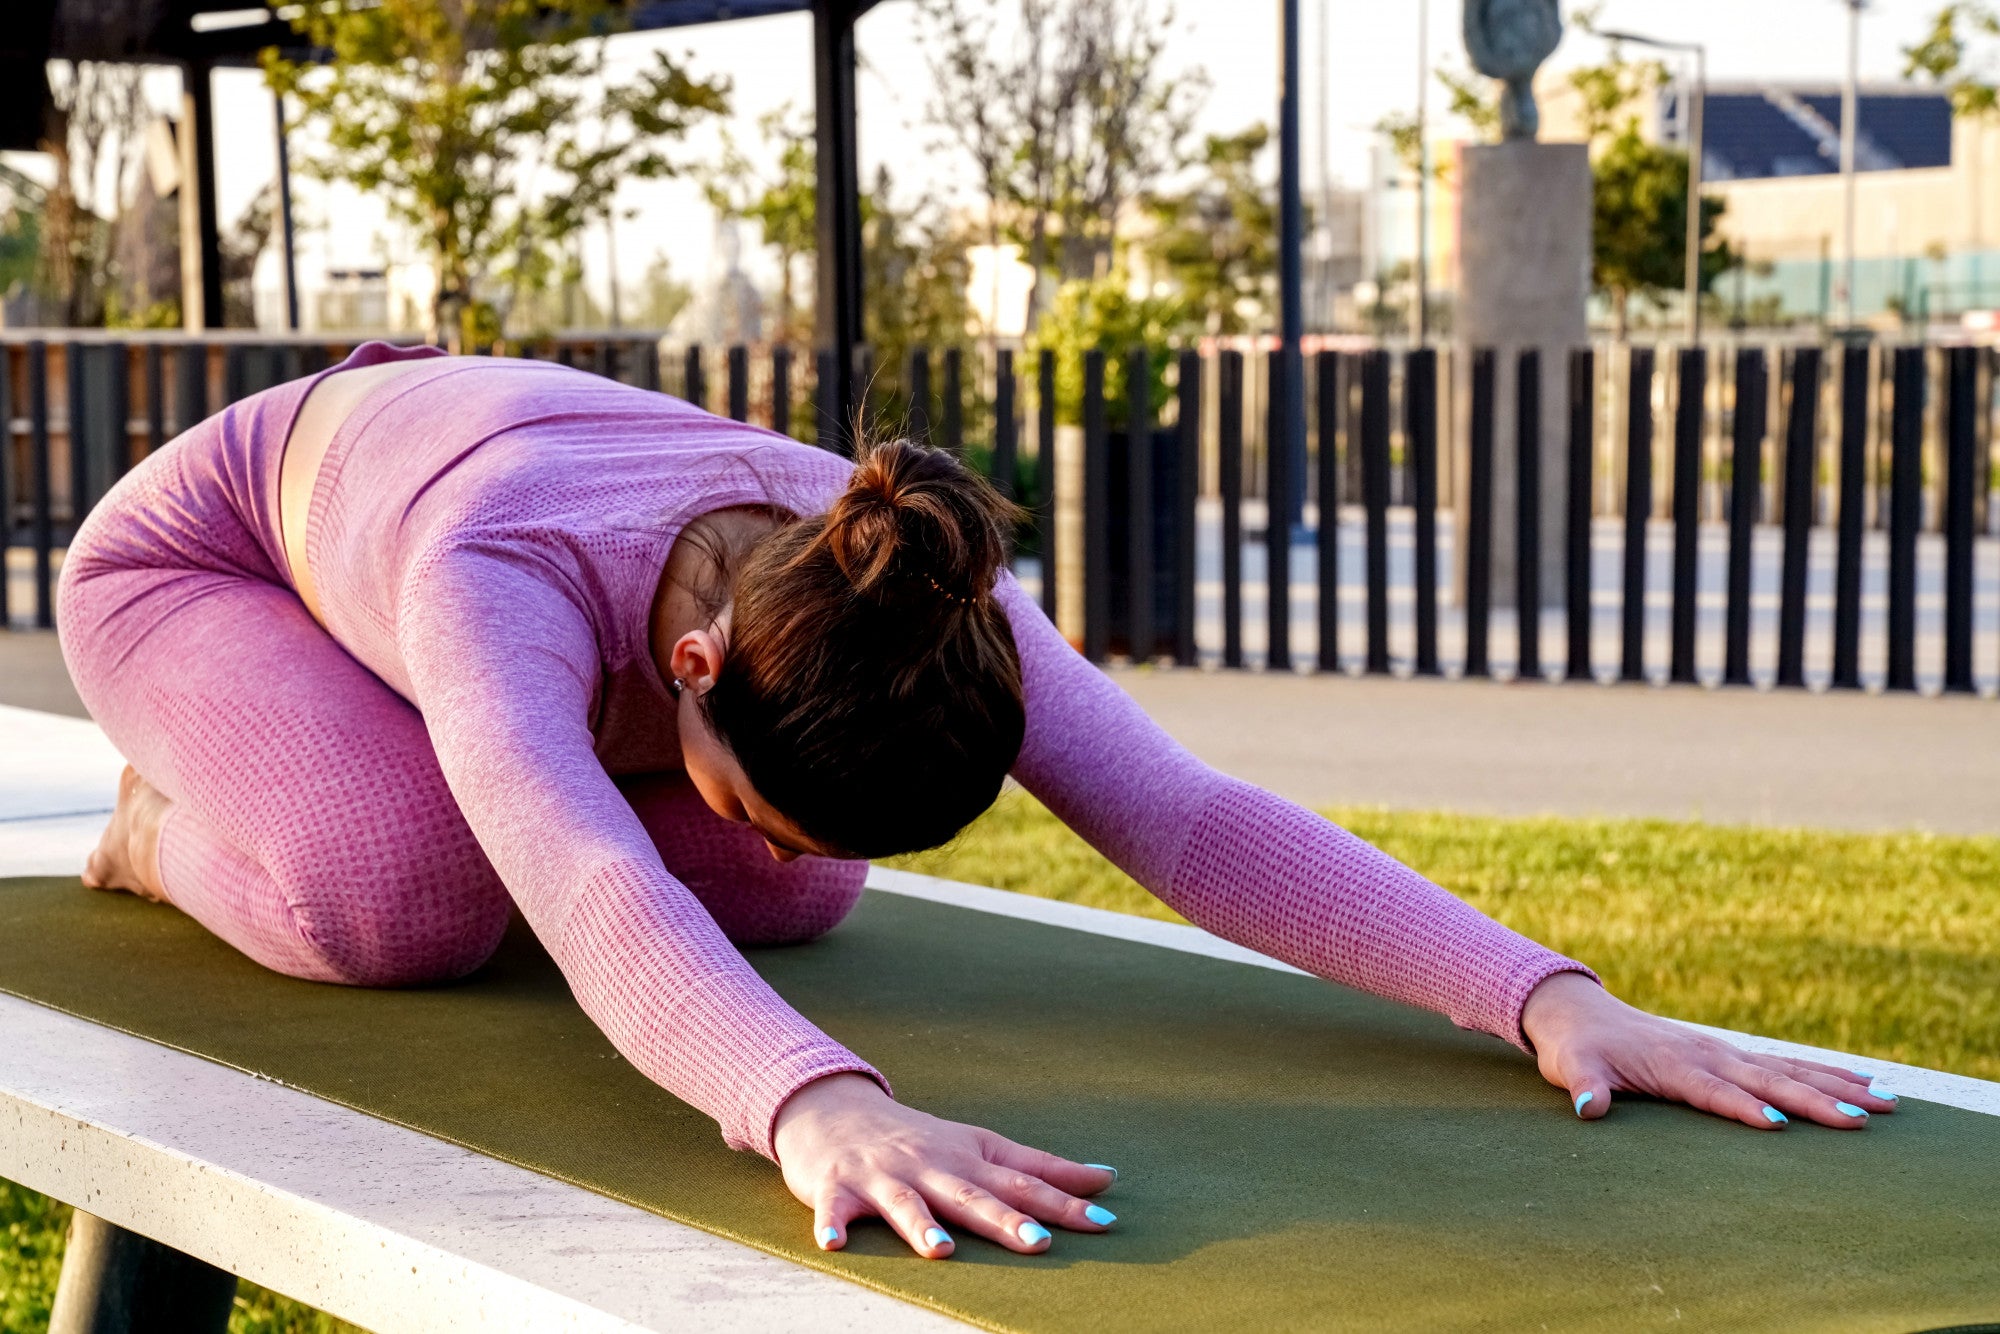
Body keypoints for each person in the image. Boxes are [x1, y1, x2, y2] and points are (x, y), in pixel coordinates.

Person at [59, 342, 1891, 1262]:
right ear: (695, 671)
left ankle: (444, 777)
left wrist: (1550, 995)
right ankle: (168, 823)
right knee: (409, 896)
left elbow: (1185, 813)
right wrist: (812, 1105)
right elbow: (585, 866)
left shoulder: (905, 582)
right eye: (761, 797)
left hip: (500, 615)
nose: (767, 832)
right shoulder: (498, 571)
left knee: (793, 908)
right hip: (214, 565)